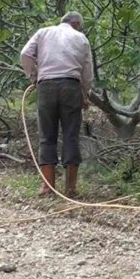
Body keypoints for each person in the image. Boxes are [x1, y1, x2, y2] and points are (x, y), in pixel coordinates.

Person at [20, 11, 94, 196]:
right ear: (76, 23)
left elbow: (25, 54)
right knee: (71, 135)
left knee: (47, 135)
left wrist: (34, 77)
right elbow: (87, 71)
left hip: (46, 86)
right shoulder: (80, 38)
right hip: (71, 86)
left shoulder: (43, 32)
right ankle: (70, 188)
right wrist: (85, 95)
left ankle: (47, 187)